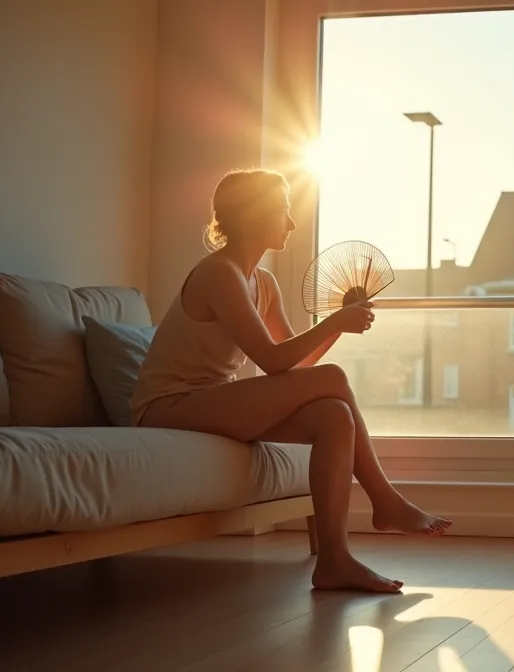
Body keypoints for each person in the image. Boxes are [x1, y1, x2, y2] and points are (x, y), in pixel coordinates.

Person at [129, 167, 450, 593]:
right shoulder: (218, 274)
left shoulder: (263, 282)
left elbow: (294, 368)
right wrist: (335, 319)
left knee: (333, 415)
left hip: (212, 401)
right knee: (333, 380)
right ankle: (385, 500)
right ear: (253, 214)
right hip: (167, 407)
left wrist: (338, 323)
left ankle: (335, 560)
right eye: (283, 210)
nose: (292, 222)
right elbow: (273, 360)